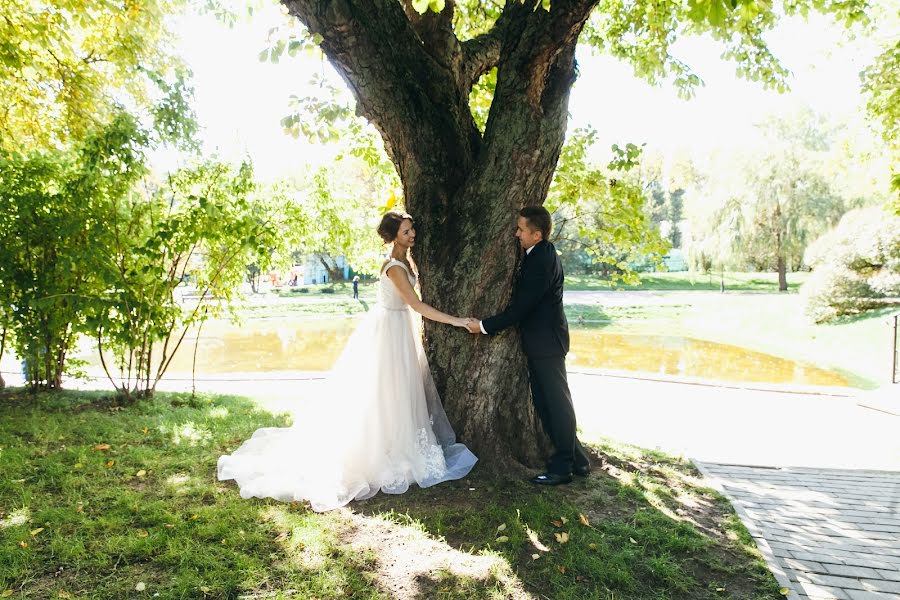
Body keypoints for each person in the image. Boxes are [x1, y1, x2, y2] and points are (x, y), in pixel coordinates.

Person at [218, 211, 477, 511]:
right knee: (383, 393)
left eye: (412, 230)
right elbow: (416, 304)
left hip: (398, 331)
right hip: (388, 333)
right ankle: (381, 451)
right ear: (394, 236)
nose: (412, 235)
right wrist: (457, 321)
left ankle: (395, 444)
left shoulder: (406, 261)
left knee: (398, 392)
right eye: (406, 232)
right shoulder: (394, 267)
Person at [466, 206, 590, 486]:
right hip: (543, 342)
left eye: (521, 229)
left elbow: (521, 308)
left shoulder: (541, 260)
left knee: (555, 406)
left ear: (536, 234)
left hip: (547, 342)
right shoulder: (539, 254)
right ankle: (579, 460)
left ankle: (563, 468)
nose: (516, 233)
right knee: (549, 404)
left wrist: (484, 325)